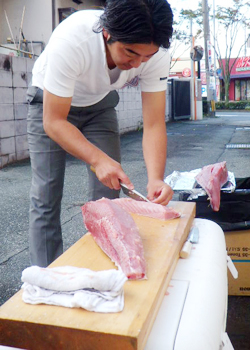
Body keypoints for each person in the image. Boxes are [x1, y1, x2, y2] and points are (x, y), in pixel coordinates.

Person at [26, 0, 174, 267]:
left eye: (147, 56)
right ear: (107, 32)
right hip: (50, 105)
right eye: (130, 52)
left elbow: (153, 123)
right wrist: (98, 159)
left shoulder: (156, 52)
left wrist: (155, 180)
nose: (138, 63)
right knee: (46, 196)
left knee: (108, 197)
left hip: (99, 105)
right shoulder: (73, 38)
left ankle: (105, 272)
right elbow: (54, 121)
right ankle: (47, 279)